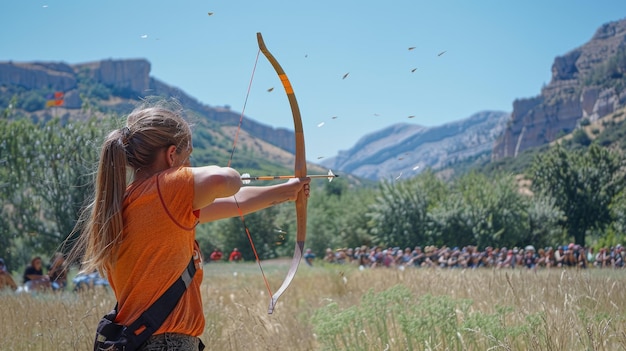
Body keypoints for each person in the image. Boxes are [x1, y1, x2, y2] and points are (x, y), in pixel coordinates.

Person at [66, 99, 310, 351]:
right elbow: (226, 180)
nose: (190, 164)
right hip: (165, 343)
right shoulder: (166, 189)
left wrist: (288, 191)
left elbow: (234, 202)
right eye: (188, 156)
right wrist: (219, 176)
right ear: (172, 155)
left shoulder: (136, 200)